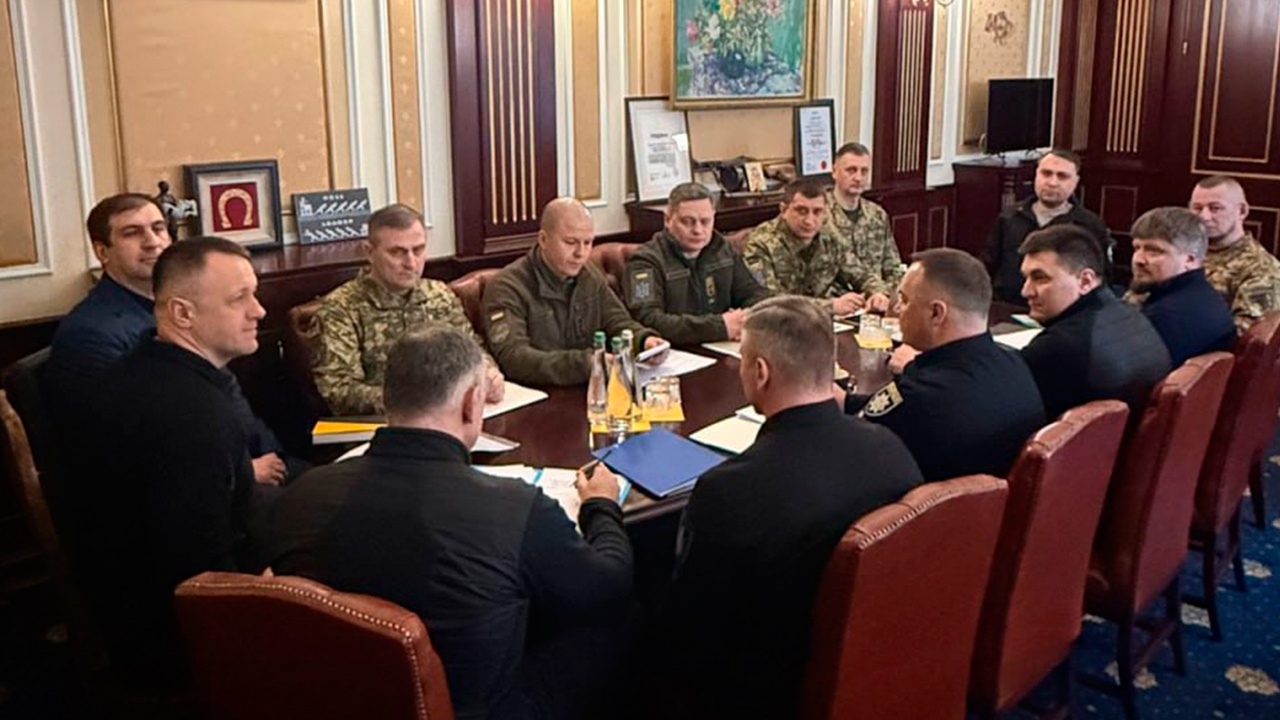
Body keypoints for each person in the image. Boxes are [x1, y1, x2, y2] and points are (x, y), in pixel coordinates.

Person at [271, 327, 633, 720]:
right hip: (480, 709)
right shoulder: (516, 508)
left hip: (338, 701)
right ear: (471, 403)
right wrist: (600, 505)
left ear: (388, 399)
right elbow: (608, 587)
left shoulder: (301, 497)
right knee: (622, 615)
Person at [656, 296, 922, 720]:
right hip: (880, 665)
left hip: (773, 690)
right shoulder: (889, 447)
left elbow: (689, 631)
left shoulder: (729, 491)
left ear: (760, 372)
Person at [85, 237, 270, 687]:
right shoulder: (193, 416)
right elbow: (203, 573)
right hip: (175, 642)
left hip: (134, 602)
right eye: (239, 298)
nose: (260, 311)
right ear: (183, 314)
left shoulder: (144, 367)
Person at [46, 193, 291, 486]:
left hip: (249, 462)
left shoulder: (195, 309)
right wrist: (245, 470)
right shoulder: (91, 334)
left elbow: (230, 399)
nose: (152, 242)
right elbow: (113, 444)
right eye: (132, 233)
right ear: (102, 252)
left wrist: (276, 455)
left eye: (158, 228)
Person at [850, 249, 1045, 482]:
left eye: (904, 300)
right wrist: (847, 401)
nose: (898, 309)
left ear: (936, 313)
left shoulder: (919, 398)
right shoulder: (1015, 366)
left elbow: (855, 443)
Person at [313, 203, 505, 415]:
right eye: (397, 252)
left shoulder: (439, 295)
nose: (411, 263)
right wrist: (419, 400)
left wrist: (489, 373)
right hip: (382, 422)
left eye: (418, 250)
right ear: (369, 252)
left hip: (448, 415)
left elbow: (472, 350)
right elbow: (339, 389)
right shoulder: (341, 308)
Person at [483, 197, 668, 385]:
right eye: (571, 242)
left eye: (587, 243)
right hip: (539, 393)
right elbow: (515, 358)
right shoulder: (507, 287)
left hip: (591, 387)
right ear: (543, 239)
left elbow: (617, 322)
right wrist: (586, 364)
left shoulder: (589, 275)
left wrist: (643, 341)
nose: (580, 253)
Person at [1018, 225, 1171, 420]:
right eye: (1026, 278)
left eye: (1040, 278)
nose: (1026, 291)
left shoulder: (1057, 346)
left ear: (1085, 281)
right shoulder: (1133, 317)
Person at [623, 182, 769, 344]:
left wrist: (746, 319)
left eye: (705, 221)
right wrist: (719, 327)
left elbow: (755, 294)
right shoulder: (644, 262)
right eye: (687, 221)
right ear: (667, 220)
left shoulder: (723, 249)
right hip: (678, 351)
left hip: (724, 345)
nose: (698, 230)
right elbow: (647, 319)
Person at [742, 178, 891, 316]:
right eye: (801, 211)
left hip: (828, 322)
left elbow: (861, 274)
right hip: (782, 324)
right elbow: (769, 301)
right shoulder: (760, 244)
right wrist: (830, 306)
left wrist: (877, 293)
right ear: (783, 210)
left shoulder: (828, 236)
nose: (809, 220)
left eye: (817, 212)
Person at [985, 150, 1113, 305]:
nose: (1052, 182)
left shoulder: (1089, 225)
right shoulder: (1010, 216)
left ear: (1076, 181)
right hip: (1008, 306)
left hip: (1064, 312)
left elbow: (1101, 279)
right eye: (1046, 173)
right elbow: (988, 264)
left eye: (1062, 176)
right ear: (1036, 175)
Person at [1126, 207, 1236, 366]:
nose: (1139, 259)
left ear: (1190, 260)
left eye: (1154, 251)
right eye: (1137, 248)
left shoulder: (1165, 317)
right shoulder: (1204, 296)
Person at [1189, 175, 1280, 333]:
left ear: (1242, 211)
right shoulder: (1183, 251)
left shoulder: (1260, 269)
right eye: (1197, 208)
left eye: (1215, 208)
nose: (1204, 217)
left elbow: (1245, 339)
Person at [823, 142, 904, 287]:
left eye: (864, 171)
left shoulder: (877, 214)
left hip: (878, 294)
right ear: (835, 172)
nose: (858, 178)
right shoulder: (819, 214)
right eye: (851, 170)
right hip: (837, 297)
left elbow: (893, 266)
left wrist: (890, 292)